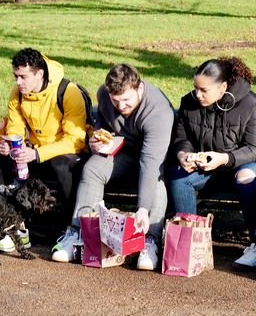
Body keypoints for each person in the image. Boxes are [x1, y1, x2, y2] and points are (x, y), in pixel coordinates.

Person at [51, 64, 174, 270]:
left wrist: (142, 208)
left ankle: (149, 240)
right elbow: (103, 125)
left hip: (154, 158)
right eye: (116, 101)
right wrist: (97, 140)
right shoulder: (105, 95)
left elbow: (150, 162)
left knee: (157, 185)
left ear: (139, 88)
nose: (121, 106)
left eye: (127, 100)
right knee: (92, 169)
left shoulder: (159, 112)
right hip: (122, 152)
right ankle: (79, 232)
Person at [169, 57, 256, 269]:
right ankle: (190, 240)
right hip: (205, 165)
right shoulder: (189, 103)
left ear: (223, 87)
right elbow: (182, 138)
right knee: (179, 176)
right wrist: (183, 155)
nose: (198, 94)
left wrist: (224, 158)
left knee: (248, 176)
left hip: (239, 164)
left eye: (204, 90)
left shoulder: (250, 104)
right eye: (196, 88)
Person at [0, 48, 89, 252]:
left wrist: (36, 154)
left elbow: (75, 141)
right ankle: (16, 228)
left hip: (65, 154)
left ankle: (72, 230)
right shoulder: (17, 94)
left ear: (40, 74)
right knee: (0, 162)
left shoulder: (68, 92)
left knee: (61, 164)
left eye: (23, 77)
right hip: (34, 153)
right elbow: (16, 129)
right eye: (15, 76)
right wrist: (11, 146)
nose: (18, 82)